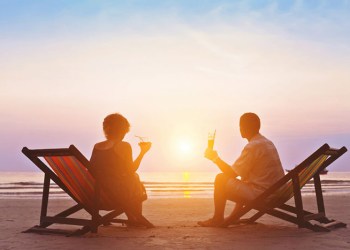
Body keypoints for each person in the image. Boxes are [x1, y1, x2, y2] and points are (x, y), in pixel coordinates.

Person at [198, 112, 285, 227]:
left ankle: (217, 218)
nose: (239, 128)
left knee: (220, 179)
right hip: (277, 192)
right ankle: (234, 217)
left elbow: (232, 174)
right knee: (244, 181)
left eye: (241, 125)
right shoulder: (267, 142)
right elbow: (240, 175)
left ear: (246, 127)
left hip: (264, 195)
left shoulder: (252, 146)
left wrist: (215, 158)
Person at [90, 113, 153, 227]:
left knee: (130, 179)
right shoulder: (124, 146)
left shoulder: (97, 146)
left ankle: (132, 217)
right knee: (134, 177)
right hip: (115, 195)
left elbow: (92, 169)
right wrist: (143, 152)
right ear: (122, 130)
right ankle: (136, 217)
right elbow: (131, 169)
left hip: (96, 195)